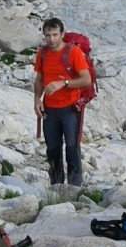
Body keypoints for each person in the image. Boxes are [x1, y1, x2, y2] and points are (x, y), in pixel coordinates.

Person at [34, 17, 91, 186]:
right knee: (52, 148)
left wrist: (64, 83)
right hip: (50, 109)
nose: (51, 39)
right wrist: (37, 100)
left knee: (72, 148)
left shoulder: (73, 52)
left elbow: (86, 79)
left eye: (55, 35)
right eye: (48, 35)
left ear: (62, 34)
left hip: (70, 108)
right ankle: (56, 186)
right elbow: (39, 79)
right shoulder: (42, 53)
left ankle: (75, 187)